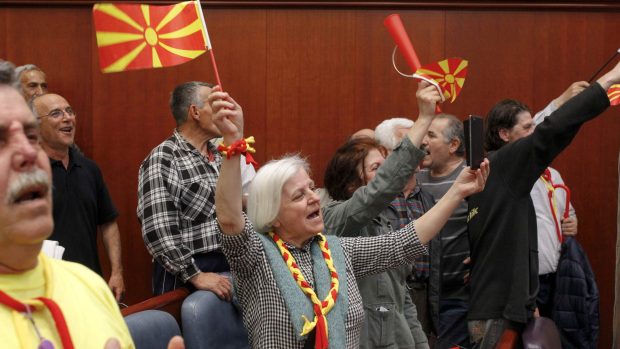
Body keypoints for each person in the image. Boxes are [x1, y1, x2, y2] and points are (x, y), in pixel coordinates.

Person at [211, 84, 489, 348]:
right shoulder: (256, 256)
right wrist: (233, 144)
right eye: (299, 196)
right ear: (273, 216)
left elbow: (402, 243)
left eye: (311, 187)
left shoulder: (336, 249)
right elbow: (230, 220)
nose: (312, 197)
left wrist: (457, 192)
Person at [467, 62, 620, 348]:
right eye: (527, 127)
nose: (534, 130)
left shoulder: (493, 172)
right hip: (496, 313)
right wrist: (611, 78)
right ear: (504, 134)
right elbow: (553, 130)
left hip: (510, 303)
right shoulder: (505, 166)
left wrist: (526, 301)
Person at [0, 59, 134, 348]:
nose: (27, 151)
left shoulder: (89, 287)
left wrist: (116, 270)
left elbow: (107, 221)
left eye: (30, 136)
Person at [323, 92, 437, 349]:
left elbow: (403, 301)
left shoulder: (384, 222)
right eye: (377, 169)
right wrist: (424, 117)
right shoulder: (335, 219)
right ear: (353, 183)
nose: (388, 176)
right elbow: (381, 189)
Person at [137, 81, 254, 297]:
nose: (224, 113)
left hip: (230, 265)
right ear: (195, 112)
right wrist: (195, 275)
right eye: (216, 106)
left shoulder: (220, 155)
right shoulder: (163, 158)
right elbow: (158, 230)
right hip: (186, 274)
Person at [30, 92, 125, 301]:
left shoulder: (90, 169)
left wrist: (117, 272)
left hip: (90, 283)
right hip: (45, 289)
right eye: (56, 113)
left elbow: (108, 223)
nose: (67, 118)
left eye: (69, 111)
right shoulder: (27, 173)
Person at [375, 117, 436, 346]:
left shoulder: (428, 198)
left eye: (420, 144)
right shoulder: (372, 202)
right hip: (388, 297)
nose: (417, 151)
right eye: (409, 144)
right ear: (384, 151)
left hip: (423, 296)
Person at [416, 114, 470, 348]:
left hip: (457, 296)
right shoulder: (415, 180)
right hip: (422, 297)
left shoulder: (471, 178)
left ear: (454, 145)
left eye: (431, 135)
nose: (423, 141)